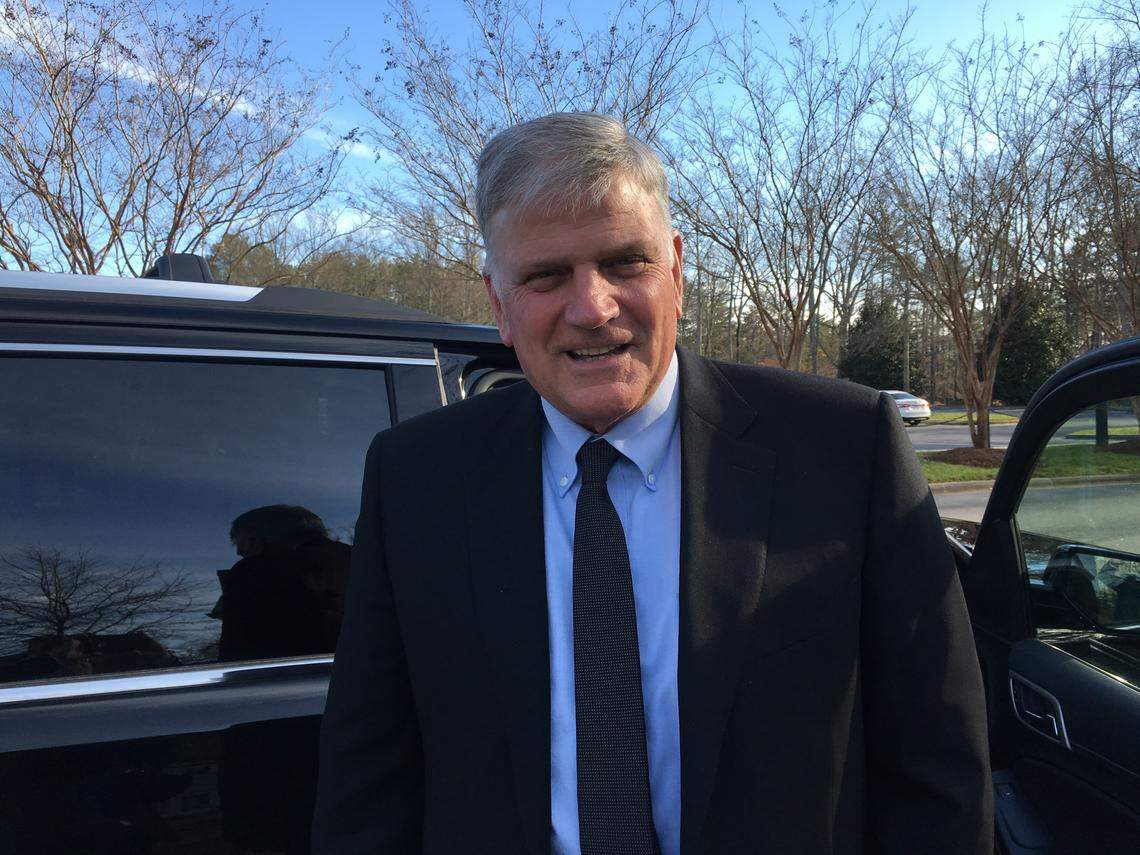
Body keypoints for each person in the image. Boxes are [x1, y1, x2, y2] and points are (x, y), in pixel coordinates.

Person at [312, 112, 992, 855]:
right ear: (498, 303)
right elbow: (367, 779)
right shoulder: (416, 478)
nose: (593, 306)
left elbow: (939, 762)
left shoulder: (845, 448)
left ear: (675, 269)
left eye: (624, 262)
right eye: (546, 275)